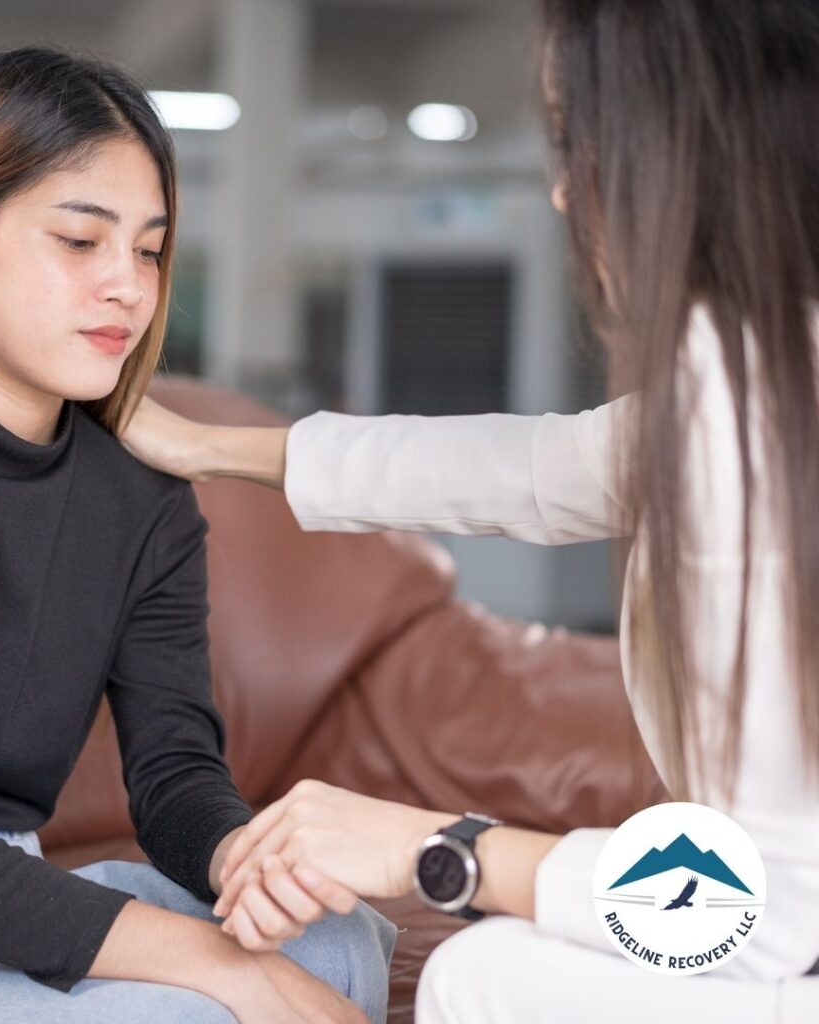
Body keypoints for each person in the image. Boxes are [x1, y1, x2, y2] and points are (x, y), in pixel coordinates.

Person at [119, 1, 819, 1020]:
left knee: (479, 974)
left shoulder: (741, 406)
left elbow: (770, 915)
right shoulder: (768, 370)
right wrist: (202, 447)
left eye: (577, 140)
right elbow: (522, 469)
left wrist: (437, 849)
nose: (563, 187)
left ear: (675, 148)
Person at [0, 47, 395, 1024]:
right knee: (198, 1009)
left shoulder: (143, 495)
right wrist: (221, 966)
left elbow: (172, 774)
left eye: (150, 248)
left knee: (337, 941)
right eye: (81, 240)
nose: (128, 284)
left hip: (6, 887)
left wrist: (244, 863)